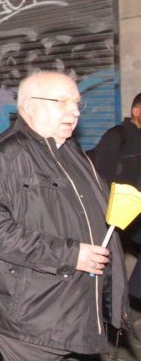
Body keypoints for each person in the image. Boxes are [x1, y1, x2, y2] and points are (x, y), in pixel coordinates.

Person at [0, 71, 128, 360]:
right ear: (30, 106)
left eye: (77, 103)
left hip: (69, 299)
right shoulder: (0, 157)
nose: (75, 111)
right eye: (62, 102)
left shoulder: (69, 149)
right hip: (29, 308)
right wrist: (70, 255)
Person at [90, 92, 141, 306]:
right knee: (106, 265)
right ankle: (104, 306)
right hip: (115, 213)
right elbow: (101, 177)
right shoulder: (116, 135)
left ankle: (130, 298)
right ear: (136, 111)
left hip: (136, 212)